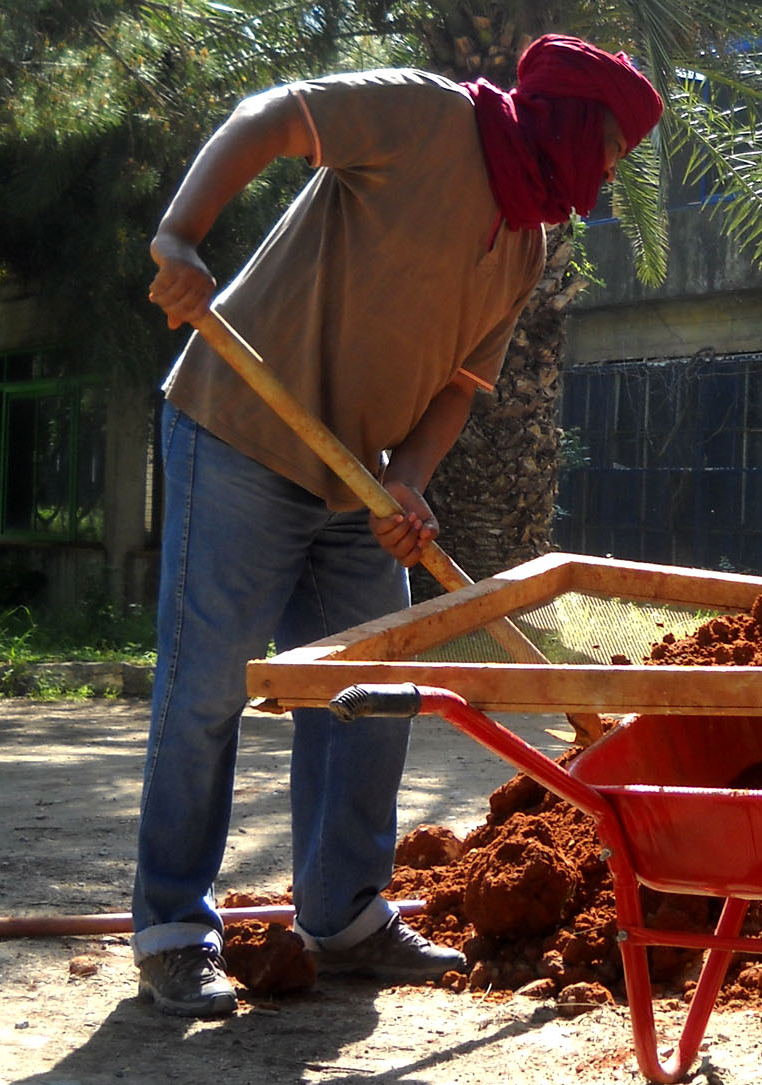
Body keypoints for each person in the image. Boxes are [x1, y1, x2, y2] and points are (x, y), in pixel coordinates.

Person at [135, 35, 663, 1017]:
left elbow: (459, 386)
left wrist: (411, 481)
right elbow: (271, 116)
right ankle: (172, 927)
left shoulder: (526, 239)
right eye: (613, 147)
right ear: (571, 123)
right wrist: (181, 235)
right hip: (239, 429)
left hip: (357, 483)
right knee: (206, 681)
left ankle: (341, 916)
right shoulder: (426, 114)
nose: (610, 172)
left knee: (376, 691)